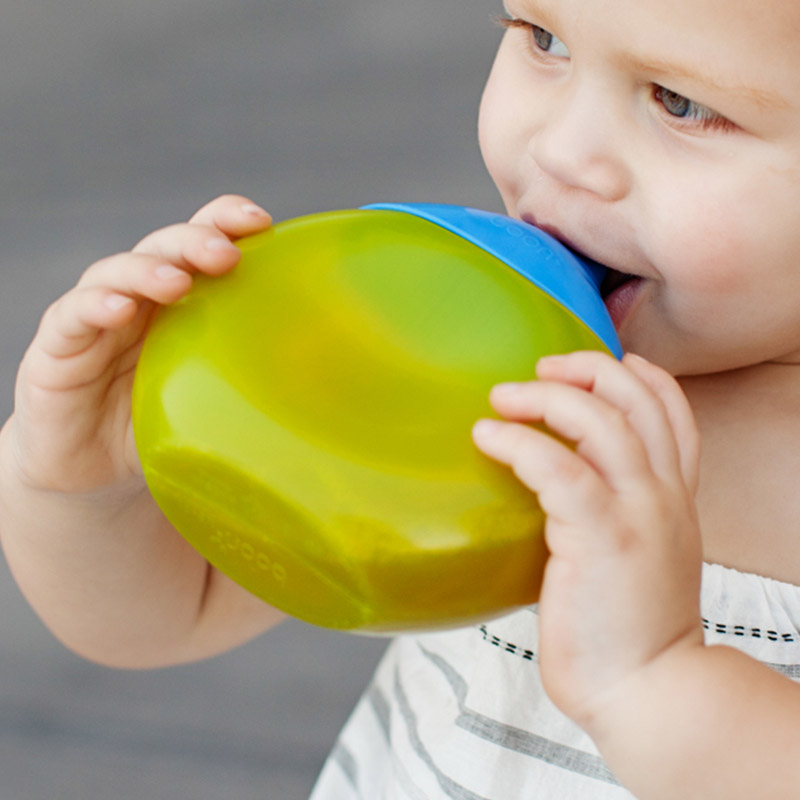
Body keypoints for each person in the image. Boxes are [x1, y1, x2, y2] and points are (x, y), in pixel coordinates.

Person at [2, 0, 800, 795]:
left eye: (681, 103)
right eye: (544, 39)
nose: (559, 150)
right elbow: (172, 614)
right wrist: (82, 484)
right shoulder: (473, 364)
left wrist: (653, 680)